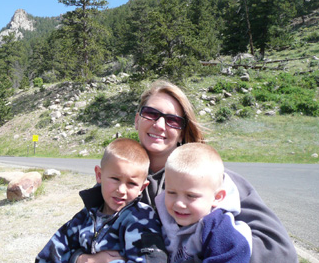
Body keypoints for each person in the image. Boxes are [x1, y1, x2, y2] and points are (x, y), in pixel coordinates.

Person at [74, 80, 298, 263]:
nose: (160, 125)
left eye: (172, 120)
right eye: (151, 114)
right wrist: (82, 259)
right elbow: (75, 235)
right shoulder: (116, 179)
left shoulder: (211, 177)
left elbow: (278, 249)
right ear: (137, 120)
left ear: (182, 132)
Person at [35, 138, 167, 263]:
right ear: (99, 175)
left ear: (142, 188)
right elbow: (47, 257)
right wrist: (78, 259)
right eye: (115, 179)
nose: (121, 190)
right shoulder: (85, 217)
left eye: (131, 183)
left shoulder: (141, 219)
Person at [155, 142, 251, 263]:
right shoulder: (159, 212)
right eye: (171, 193)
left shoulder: (219, 229)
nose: (179, 203)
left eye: (191, 196)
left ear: (217, 197)